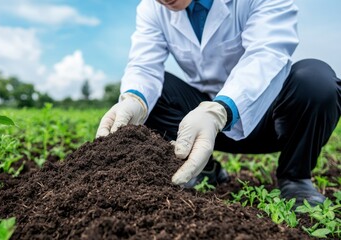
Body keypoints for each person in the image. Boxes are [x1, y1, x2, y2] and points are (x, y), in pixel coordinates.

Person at [96, 0, 341, 207]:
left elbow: (267, 53)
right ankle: (204, 168)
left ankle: (295, 178)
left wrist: (220, 110)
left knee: (316, 82)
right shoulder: (152, 8)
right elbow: (144, 66)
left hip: (272, 120)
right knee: (153, 91)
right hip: (200, 127)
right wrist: (134, 99)